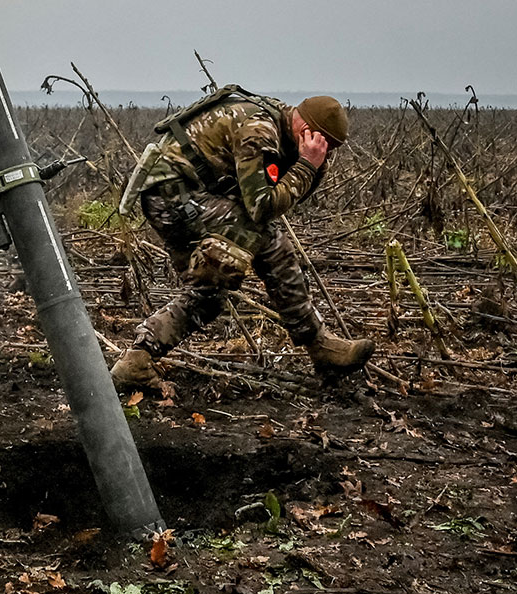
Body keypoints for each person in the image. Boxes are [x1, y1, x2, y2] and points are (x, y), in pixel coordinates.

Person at [111, 89, 374, 389]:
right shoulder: (260, 132)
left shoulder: (282, 124)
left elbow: (278, 197)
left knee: (208, 296)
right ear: (307, 132)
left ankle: (136, 361)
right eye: (326, 146)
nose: (327, 154)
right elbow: (261, 207)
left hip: (180, 194)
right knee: (272, 244)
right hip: (173, 195)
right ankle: (320, 345)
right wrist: (306, 166)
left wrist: (311, 167)